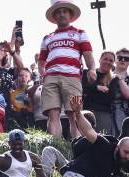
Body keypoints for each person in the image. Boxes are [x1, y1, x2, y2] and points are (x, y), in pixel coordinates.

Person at [41, 96, 129, 177]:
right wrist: (78, 113)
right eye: (126, 152)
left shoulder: (122, 161)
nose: (127, 156)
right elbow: (88, 131)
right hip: (75, 169)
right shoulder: (104, 144)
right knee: (49, 151)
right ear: (117, 147)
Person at [38, 0, 95, 139]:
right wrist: (42, 74)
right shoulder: (47, 37)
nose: (61, 14)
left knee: (74, 113)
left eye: (64, 11)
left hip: (72, 76)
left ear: (70, 14)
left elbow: (88, 54)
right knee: (53, 113)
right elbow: (41, 61)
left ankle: (77, 146)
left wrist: (92, 68)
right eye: (58, 12)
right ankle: (56, 147)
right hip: (51, 77)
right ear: (54, 16)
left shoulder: (80, 33)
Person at [111, 48, 129, 137]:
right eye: (120, 57)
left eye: (126, 59)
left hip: (125, 116)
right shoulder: (105, 76)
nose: (123, 60)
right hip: (107, 113)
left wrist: (120, 79)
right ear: (115, 60)